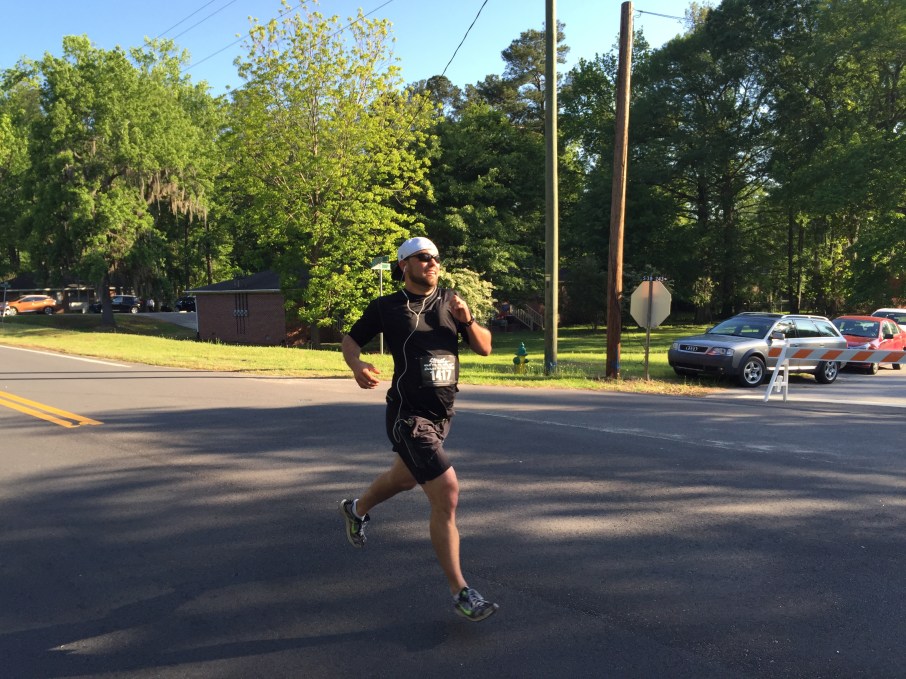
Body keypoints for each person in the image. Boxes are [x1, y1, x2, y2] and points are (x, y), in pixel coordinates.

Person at [340, 236, 499, 622]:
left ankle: (356, 509)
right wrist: (357, 365)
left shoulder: (451, 302)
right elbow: (350, 340)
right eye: (423, 258)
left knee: (405, 478)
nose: (432, 263)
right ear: (404, 265)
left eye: (436, 258)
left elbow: (485, 348)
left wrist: (468, 320)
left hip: (442, 415)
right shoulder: (386, 307)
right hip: (407, 415)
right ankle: (461, 591)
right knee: (447, 492)